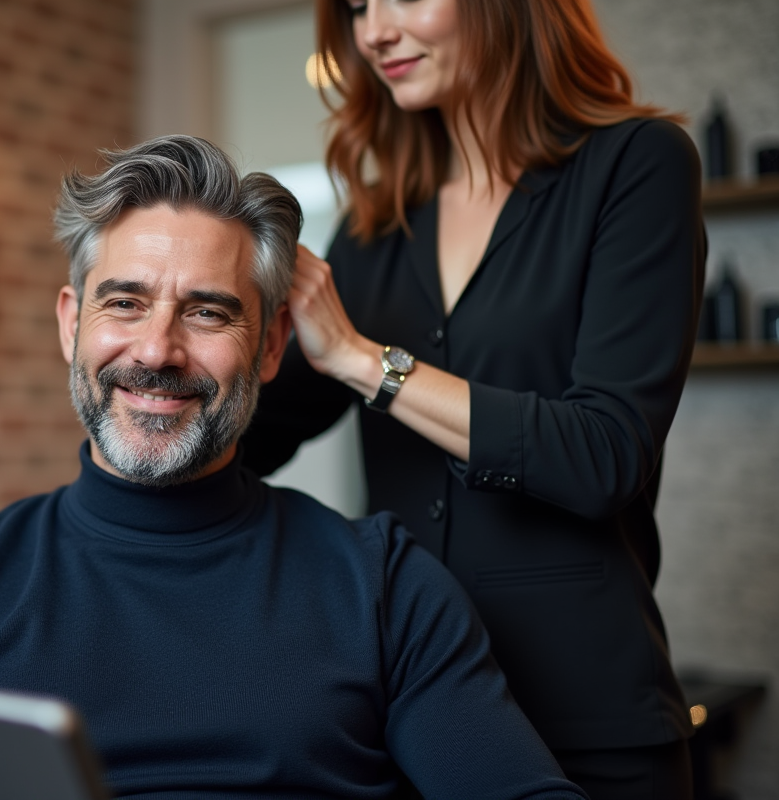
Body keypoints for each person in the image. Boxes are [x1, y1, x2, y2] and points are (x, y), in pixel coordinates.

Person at [0, 135, 587, 800]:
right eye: (124, 303)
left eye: (207, 312)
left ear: (270, 347)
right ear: (71, 326)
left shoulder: (383, 586)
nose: (157, 350)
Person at [239, 2, 706, 798]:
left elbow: (605, 455)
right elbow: (261, 435)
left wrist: (363, 360)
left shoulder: (636, 164)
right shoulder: (376, 227)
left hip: (587, 725)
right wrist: (171, 354)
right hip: (406, 723)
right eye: (357, 6)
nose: (373, 31)